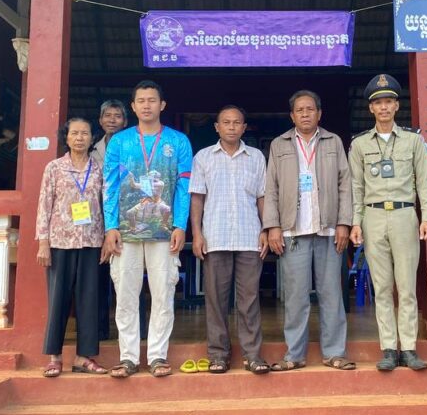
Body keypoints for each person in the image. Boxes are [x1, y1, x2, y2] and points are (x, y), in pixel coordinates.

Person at [102, 80, 192, 378]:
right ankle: (128, 357)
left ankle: (157, 355)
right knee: (126, 295)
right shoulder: (119, 142)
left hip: (164, 229)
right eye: (141, 100)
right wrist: (110, 226)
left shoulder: (178, 141)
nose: (146, 105)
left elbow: (184, 186)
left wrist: (180, 224)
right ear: (133, 106)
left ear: (162, 105)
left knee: (163, 293)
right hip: (126, 231)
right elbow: (110, 186)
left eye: (152, 100)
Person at [264, 90, 355, 371]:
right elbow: (271, 188)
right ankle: (294, 354)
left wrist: (344, 223)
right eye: (300, 110)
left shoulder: (333, 141)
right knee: (296, 297)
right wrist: (273, 226)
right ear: (292, 116)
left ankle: (335, 352)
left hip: (328, 230)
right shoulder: (279, 144)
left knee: (331, 294)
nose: (305, 114)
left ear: (319, 113)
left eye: (310, 109)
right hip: (293, 231)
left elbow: (345, 183)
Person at [348, 74, 427, 372]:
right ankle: (388, 348)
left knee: (406, 286)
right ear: (371, 108)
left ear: (397, 106)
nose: (383, 108)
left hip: (404, 215)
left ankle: (408, 348)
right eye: (378, 103)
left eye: (388, 102)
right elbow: (356, 187)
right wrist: (356, 223)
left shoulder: (413, 141)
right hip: (373, 216)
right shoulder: (360, 144)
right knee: (382, 286)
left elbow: (425, 182)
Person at [189, 106, 270, 375]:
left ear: (244, 127)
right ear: (217, 127)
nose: (232, 127)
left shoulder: (256, 157)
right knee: (216, 301)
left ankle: (252, 354)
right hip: (216, 237)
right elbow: (197, 197)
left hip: (249, 237)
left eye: (237, 123)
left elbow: (262, 197)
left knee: (249, 300)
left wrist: (266, 229)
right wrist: (197, 234)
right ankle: (218, 355)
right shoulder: (203, 157)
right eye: (226, 122)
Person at [35, 118, 108, 377]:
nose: (79, 138)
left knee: (89, 300)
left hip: (91, 241)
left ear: (92, 138)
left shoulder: (99, 169)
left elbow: (106, 204)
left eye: (84, 134)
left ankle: (84, 357)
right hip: (60, 241)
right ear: (66, 138)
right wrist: (43, 242)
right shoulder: (54, 168)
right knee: (59, 300)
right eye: (74, 133)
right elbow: (44, 205)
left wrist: (107, 237)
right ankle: (54, 357)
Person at [92, 99, 129, 342]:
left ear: (125, 121)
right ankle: (100, 330)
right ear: (100, 120)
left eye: (117, 116)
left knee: (128, 277)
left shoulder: (132, 146)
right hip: (97, 220)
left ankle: (137, 332)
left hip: (125, 220)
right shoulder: (92, 150)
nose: (112, 120)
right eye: (108, 115)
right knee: (98, 275)